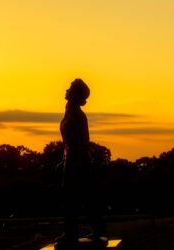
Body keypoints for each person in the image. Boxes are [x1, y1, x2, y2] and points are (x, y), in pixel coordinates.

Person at [55, 79, 107, 248]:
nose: (66, 89)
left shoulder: (78, 115)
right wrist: (63, 160)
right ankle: (76, 231)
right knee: (74, 197)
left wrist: (76, 162)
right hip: (70, 158)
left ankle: (78, 232)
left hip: (78, 160)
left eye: (70, 87)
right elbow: (68, 142)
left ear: (75, 93)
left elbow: (82, 141)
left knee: (76, 197)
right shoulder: (69, 111)